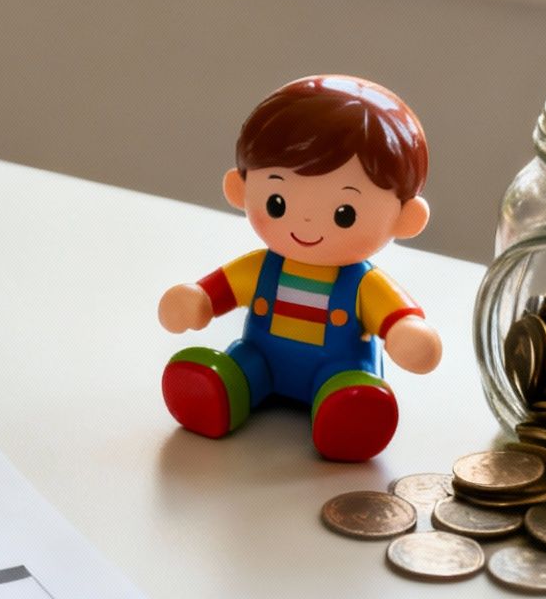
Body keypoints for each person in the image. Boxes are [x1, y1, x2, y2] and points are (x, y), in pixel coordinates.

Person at [154, 76, 444, 462]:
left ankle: (350, 414)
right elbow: (216, 291)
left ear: (405, 218)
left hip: (338, 368)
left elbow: (396, 318)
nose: (305, 224)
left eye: (344, 213)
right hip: (262, 356)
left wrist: (406, 332)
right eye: (277, 202)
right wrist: (197, 299)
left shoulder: (363, 284)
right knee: (241, 366)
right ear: (240, 189)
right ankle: (217, 391)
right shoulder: (261, 268)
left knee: (348, 391)